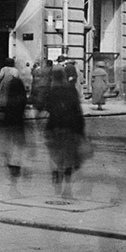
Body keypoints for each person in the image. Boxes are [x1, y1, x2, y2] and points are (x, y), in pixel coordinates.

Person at [45, 65, 87, 200]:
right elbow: (77, 111)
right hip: (69, 128)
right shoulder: (71, 90)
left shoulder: (51, 91)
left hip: (53, 127)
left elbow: (46, 107)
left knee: (55, 157)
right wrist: (81, 130)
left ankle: (57, 180)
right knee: (68, 158)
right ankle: (67, 189)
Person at [0, 70, 29, 196]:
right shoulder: (21, 101)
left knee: (10, 155)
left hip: (9, 127)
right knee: (17, 156)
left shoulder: (8, 101)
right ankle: (14, 186)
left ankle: (12, 184)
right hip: (18, 128)